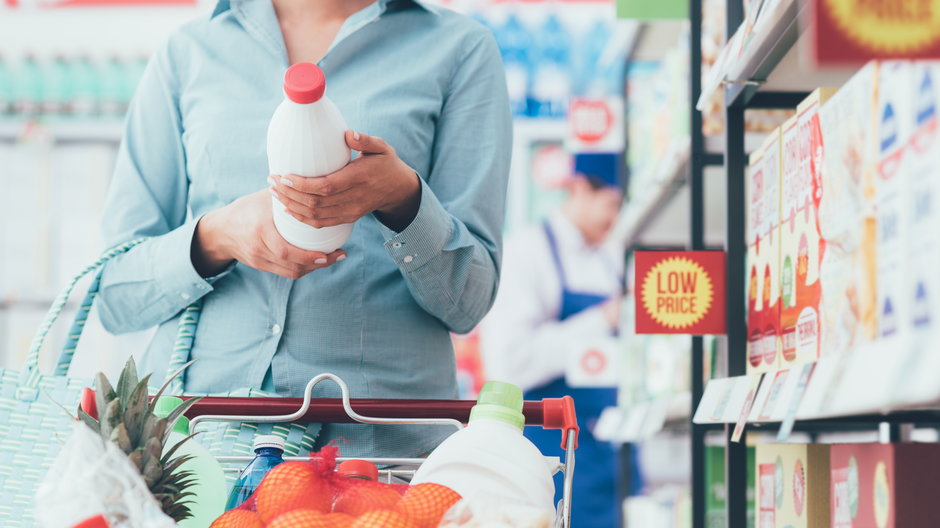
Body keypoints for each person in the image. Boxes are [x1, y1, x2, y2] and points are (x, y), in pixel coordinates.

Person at [95, 0, 511, 458]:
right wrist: (214, 238)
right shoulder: (190, 51)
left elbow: (470, 301)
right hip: (196, 451)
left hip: (379, 454)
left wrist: (403, 200)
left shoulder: (459, 49)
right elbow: (115, 294)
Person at [481, 152, 627, 527]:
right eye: (611, 203)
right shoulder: (528, 252)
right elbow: (512, 362)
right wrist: (602, 319)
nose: (616, 217)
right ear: (578, 188)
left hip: (606, 453)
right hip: (548, 454)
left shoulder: (610, 257)